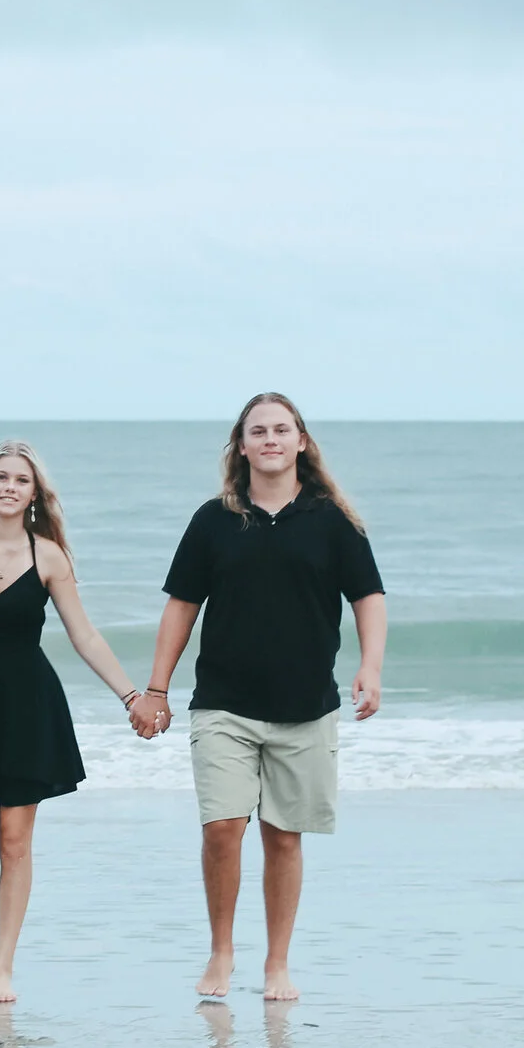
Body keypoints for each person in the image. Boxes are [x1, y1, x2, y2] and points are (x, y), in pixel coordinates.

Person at [144, 393, 387, 1004]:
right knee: (223, 828)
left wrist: (371, 667)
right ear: (242, 445)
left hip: (306, 705)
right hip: (224, 701)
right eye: (259, 431)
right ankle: (221, 952)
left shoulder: (333, 520)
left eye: (282, 429)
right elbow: (181, 605)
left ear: (301, 441)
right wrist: (156, 687)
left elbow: (368, 597)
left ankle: (277, 963)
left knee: (284, 835)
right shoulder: (213, 520)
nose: (271, 439)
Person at [0, 440, 163, 1004]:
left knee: (15, 842)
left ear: (33, 495)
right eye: (0, 477)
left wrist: (131, 696)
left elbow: (84, 634)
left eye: (20, 481)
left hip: (30, 704)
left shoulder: (48, 556)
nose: (8, 487)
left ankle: (4, 964)